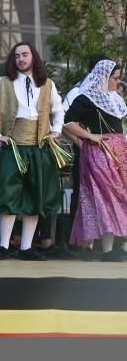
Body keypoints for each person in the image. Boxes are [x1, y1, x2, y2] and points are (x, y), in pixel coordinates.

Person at [0, 42, 64, 261]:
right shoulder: (2, 83)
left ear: (33, 57)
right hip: (12, 148)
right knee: (9, 196)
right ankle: (4, 246)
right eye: (17, 56)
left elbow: (59, 109)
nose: (21, 59)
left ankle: (26, 247)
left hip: (39, 148)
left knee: (36, 196)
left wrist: (56, 130)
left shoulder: (48, 84)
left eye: (24, 55)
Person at [63, 59, 127, 262]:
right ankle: (102, 248)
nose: (118, 82)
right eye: (115, 78)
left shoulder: (114, 98)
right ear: (104, 77)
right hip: (100, 153)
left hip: (119, 152)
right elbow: (67, 122)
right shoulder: (87, 97)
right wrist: (90, 136)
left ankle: (112, 248)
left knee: (116, 196)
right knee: (105, 196)